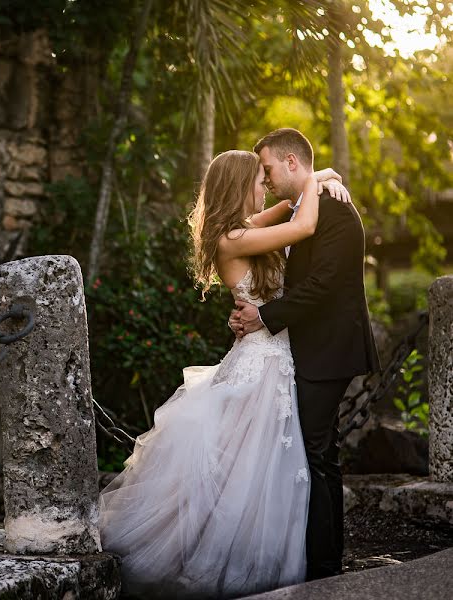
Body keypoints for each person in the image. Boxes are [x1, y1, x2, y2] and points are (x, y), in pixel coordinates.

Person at [98, 146, 351, 599]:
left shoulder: (243, 228)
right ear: (239, 186)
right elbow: (303, 224)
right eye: (258, 179)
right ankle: (224, 559)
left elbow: (293, 199)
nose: (264, 185)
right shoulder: (232, 239)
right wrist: (315, 183)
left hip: (274, 354)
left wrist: (323, 177)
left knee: (266, 465)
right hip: (263, 361)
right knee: (245, 467)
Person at [229, 128, 380, 580]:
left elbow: (323, 284)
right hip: (303, 348)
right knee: (316, 451)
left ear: (292, 163)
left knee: (317, 453)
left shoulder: (336, 210)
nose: (267, 177)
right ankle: (316, 557)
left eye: (270, 168)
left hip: (330, 349)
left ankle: (326, 566)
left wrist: (264, 316)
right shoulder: (305, 207)